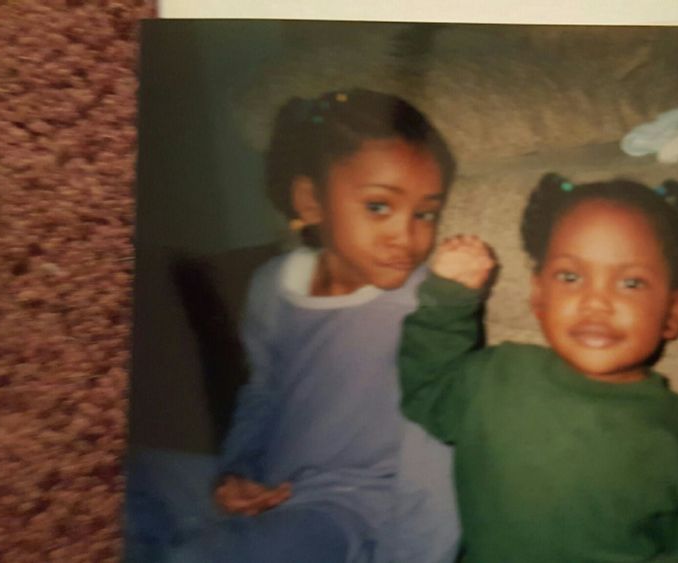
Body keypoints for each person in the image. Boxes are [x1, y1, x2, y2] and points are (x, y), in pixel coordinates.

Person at [398, 173, 678, 562]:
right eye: (571, 277)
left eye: (631, 283)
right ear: (538, 296)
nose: (595, 302)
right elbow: (427, 387)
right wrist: (448, 300)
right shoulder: (496, 377)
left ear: (674, 311)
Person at [164, 88, 461, 562]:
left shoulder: (425, 304)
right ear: (311, 200)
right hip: (270, 484)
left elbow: (436, 449)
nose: (406, 236)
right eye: (379, 206)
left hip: (349, 505)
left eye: (425, 213)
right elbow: (262, 393)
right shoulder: (271, 287)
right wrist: (236, 471)